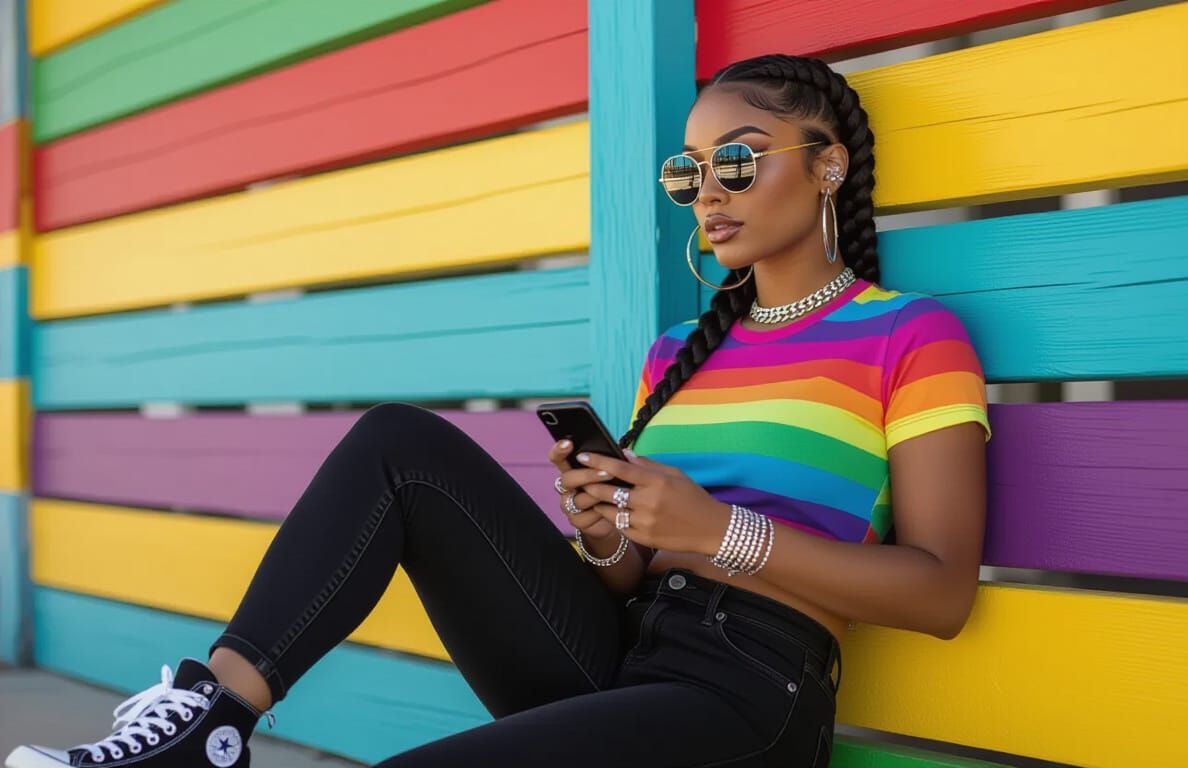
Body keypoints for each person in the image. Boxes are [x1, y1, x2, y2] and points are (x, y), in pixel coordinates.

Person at [6, 52, 990, 768]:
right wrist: (611, 537)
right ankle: (211, 717)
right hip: (628, 656)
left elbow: (941, 593)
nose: (705, 196)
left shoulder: (910, 337)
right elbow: (628, 579)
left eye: (736, 162)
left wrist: (719, 532)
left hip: (747, 694)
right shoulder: (676, 355)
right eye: (687, 175)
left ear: (827, 166)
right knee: (400, 445)